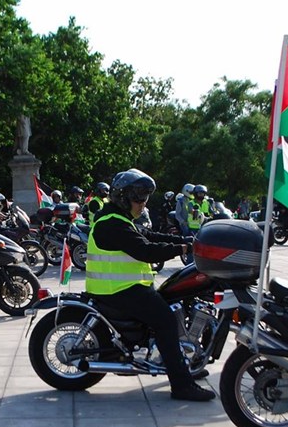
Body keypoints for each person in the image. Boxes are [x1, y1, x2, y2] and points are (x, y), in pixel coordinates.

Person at [85, 169, 213, 402]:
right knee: (165, 321)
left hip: (126, 287)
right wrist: (183, 249)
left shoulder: (121, 219)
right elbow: (145, 250)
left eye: (146, 199)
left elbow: (149, 236)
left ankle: (188, 363)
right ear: (124, 197)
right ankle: (182, 386)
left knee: (174, 305)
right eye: (139, 199)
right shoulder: (111, 223)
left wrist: (186, 240)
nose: (143, 204)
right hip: (117, 290)